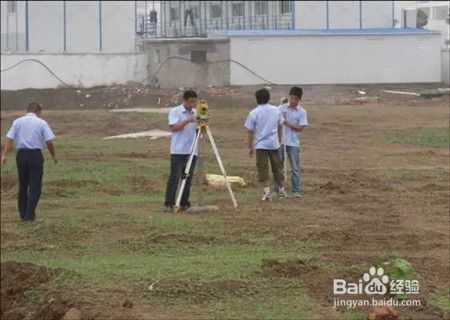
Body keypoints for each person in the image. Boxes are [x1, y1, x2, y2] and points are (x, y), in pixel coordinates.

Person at [1, 102, 57, 222]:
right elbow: (49, 142)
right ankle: (29, 216)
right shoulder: (41, 123)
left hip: (21, 155)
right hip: (35, 155)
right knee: (35, 186)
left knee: (23, 185)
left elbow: (10, 139)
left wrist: (4, 155)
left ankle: (23, 215)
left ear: (27, 110)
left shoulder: (17, 122)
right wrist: (53, 155)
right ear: (38, 112)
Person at [245, 88, 286, 201]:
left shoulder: (254, 113)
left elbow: (250, 131)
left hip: (261, 145)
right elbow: (280, 125)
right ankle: (282, 192)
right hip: (274, 144)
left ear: (256, 99)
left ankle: (267, 194)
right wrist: (279, 139)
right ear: (268, 98)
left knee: (263, 169)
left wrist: (250, 147)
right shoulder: (276, 110)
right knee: (278, 168)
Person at [164, 90, 198, 212]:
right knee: (175, 177)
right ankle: (169, 202)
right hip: (178, 150)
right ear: (184, 100)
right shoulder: (176, 111)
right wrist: (188, 120)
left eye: (194, 102)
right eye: (190, 102)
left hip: (192, 150)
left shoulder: (196, 112)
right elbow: (173, 127)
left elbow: (200, 131)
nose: (192, 104)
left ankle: (184, 202)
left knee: (187, 178)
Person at [276, 86, 308, 198]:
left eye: (296, 99)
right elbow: (276, 122)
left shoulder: (302, 112)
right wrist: (281, 120)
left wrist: (287, 123)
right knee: (279, 166)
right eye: (292, 98)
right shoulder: (281, 108)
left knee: (295, 168)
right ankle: (278, 190)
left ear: (299, 99)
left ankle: (295, 190)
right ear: (289, 97)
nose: (293, 101)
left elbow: (301, 128)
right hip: (281, 142)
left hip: (293, 143)